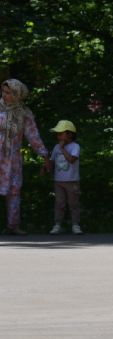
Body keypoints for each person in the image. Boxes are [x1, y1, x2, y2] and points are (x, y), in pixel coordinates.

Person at [2, 78, 48, 235]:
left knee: (14, 191)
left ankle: (13, 226)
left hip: (12, 159)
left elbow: (33, 136)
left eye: (9, 93)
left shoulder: (24, 114)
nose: (5, 95)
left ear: (18, 95)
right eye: (3, 92)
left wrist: (44, 155)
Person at [47, 120, 82, 235]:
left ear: (70, 134)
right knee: (59, 203)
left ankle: (75, 225)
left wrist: (62, 149)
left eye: (60, 133)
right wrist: (46, 167)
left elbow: (72, 160)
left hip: (72, 181)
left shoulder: (75, 146)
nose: (58, 136)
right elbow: (52, 161)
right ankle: (57, 224)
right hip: (58, 181)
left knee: (73, 204)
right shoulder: (56, 147)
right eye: (57, 134)